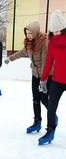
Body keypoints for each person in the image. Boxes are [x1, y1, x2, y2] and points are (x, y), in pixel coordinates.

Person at [4, 21, 52, 133]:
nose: (28, 36)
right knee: (35, 98)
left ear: (35, 32)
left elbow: (46, 63)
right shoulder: (29, 43)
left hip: (46, 75)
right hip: (35, 74)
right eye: (26, 33)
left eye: (30, 33)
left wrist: (43, 80)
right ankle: (37, 122)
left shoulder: (44, 42)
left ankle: (52, 117)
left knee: (44, 98)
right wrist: (10, 58)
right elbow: (22, 53)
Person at [38, 10, 66, 145]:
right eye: (53, 31)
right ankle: (50, 131)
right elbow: (49, 62)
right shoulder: (52, 43)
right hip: (57, 81)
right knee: (51, 107)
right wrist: (43, 79)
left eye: (58, 31)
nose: (55, 33)